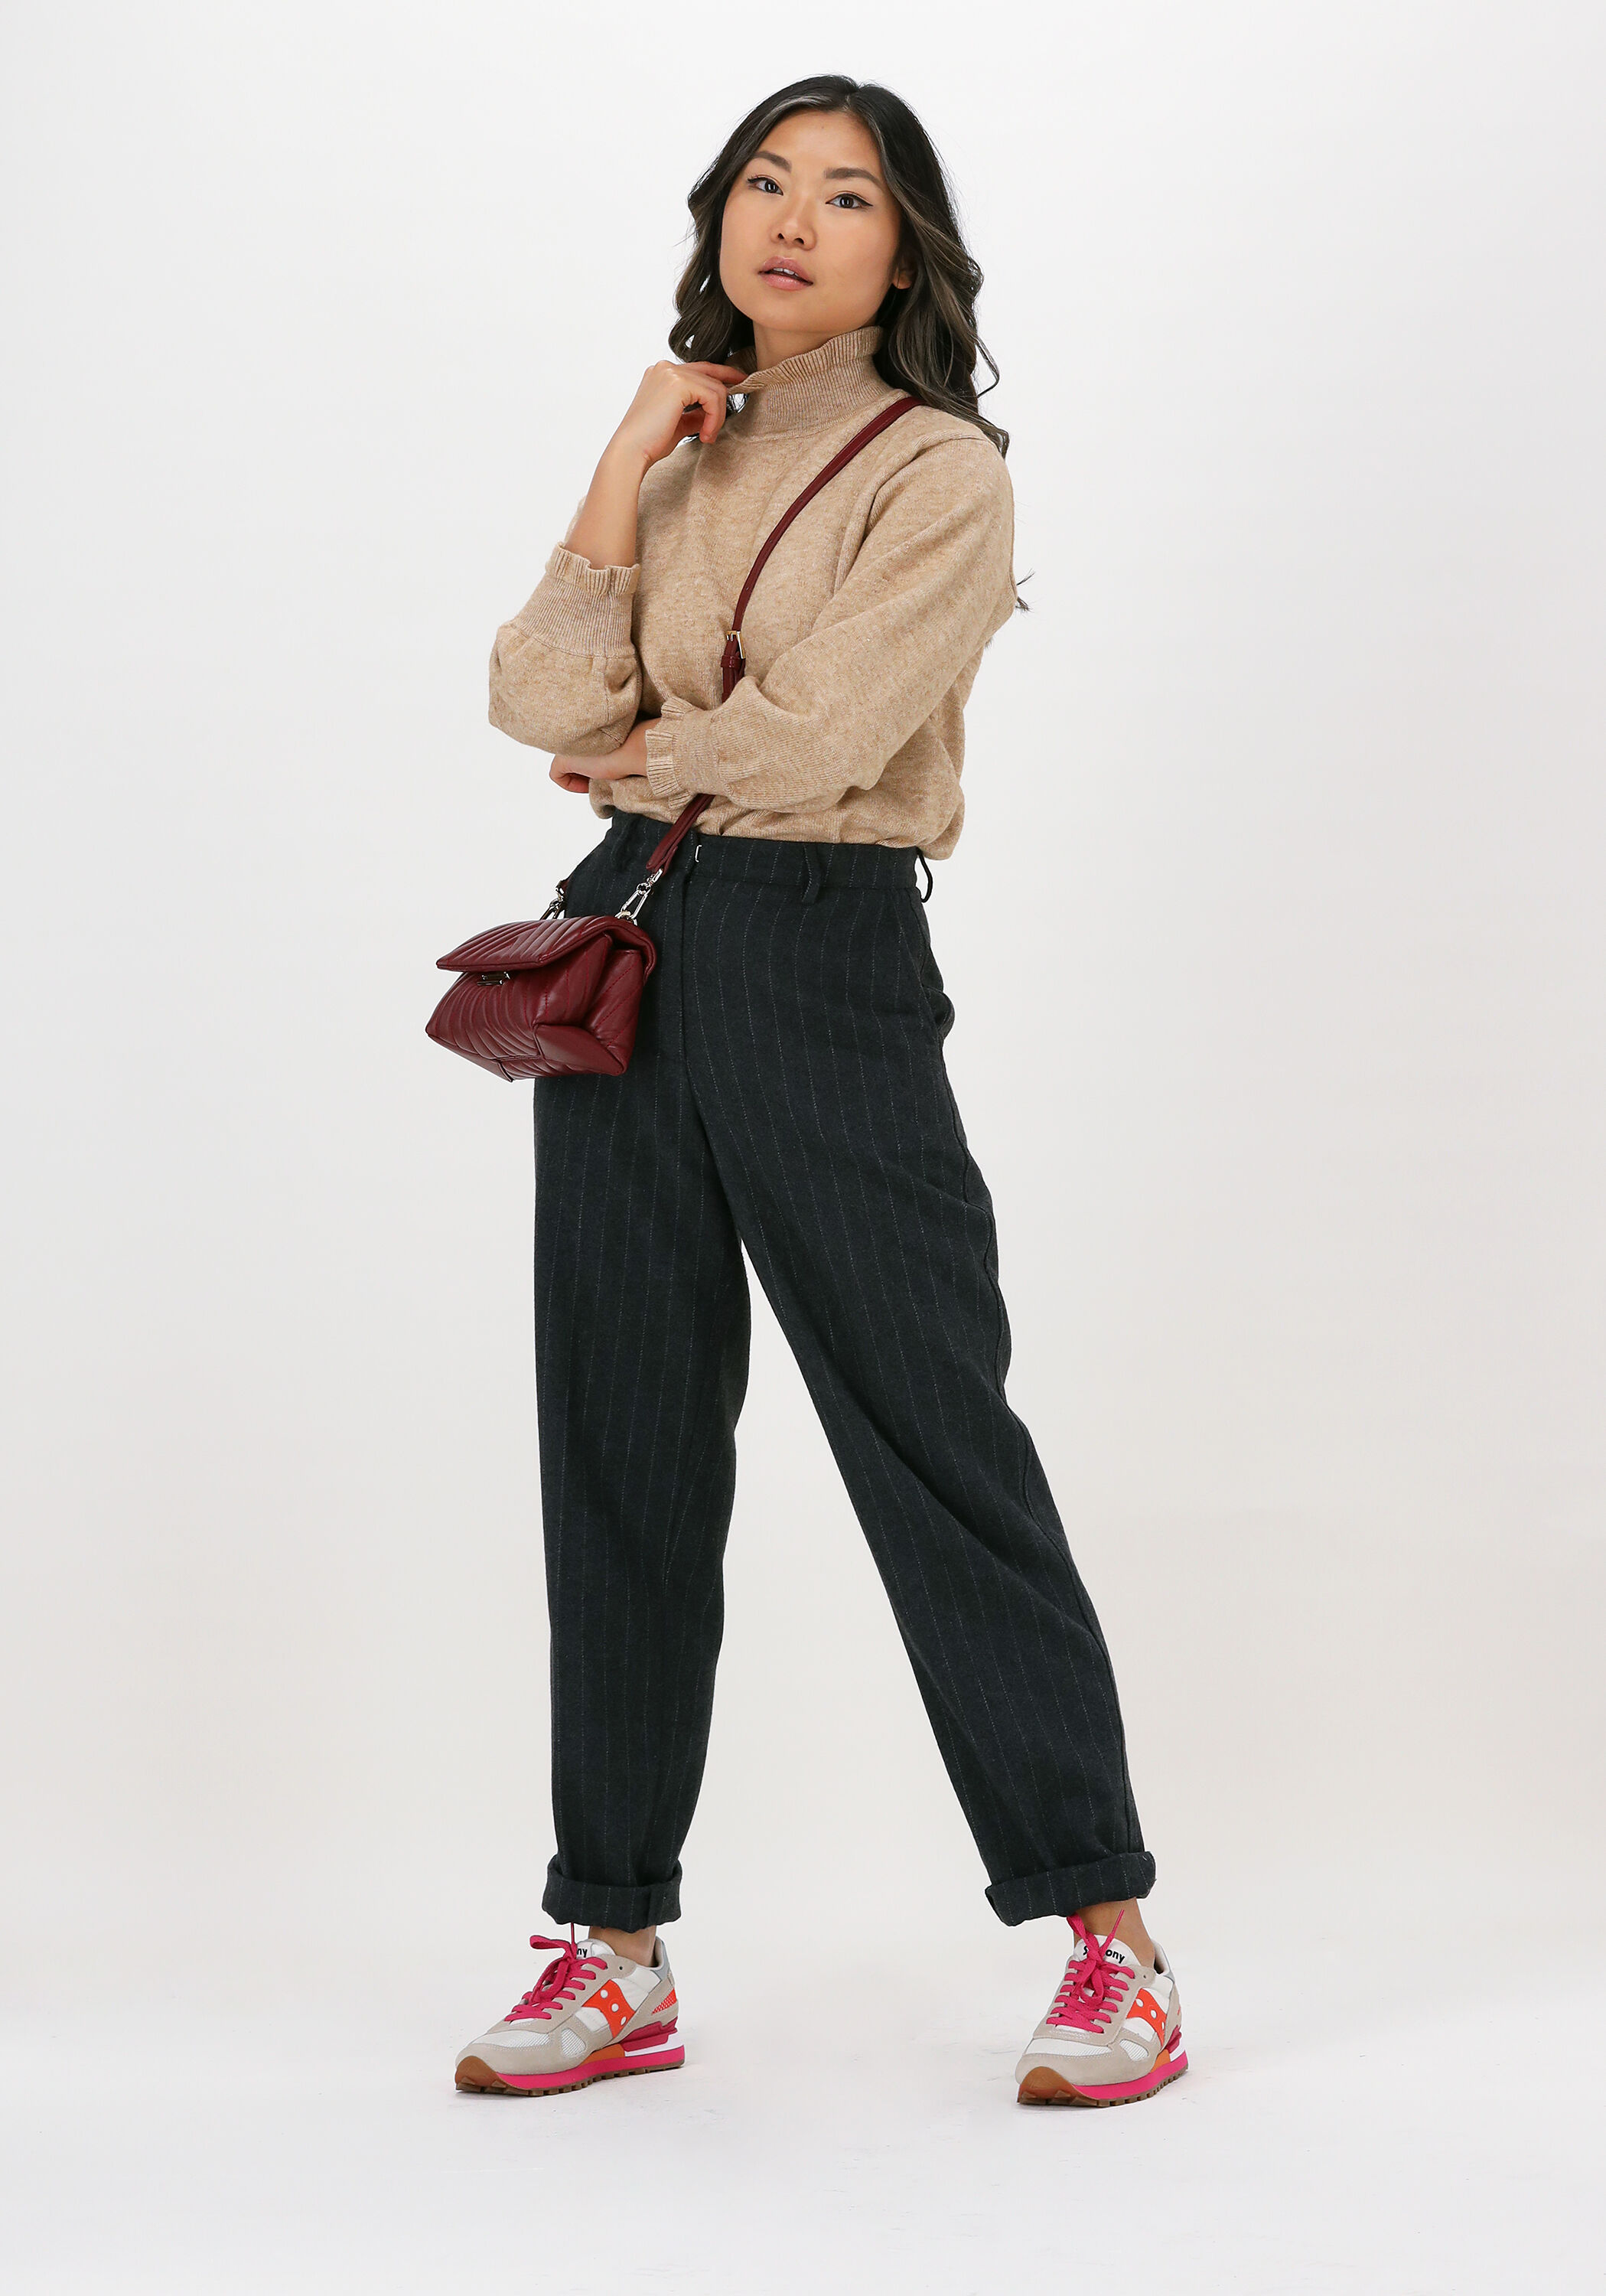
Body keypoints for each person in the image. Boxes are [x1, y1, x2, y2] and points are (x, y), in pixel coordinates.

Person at [452, 75, 1184, 2108]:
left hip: (819, 953)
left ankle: (1108, 1938)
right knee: (619, 1442)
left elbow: (821, 734)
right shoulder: (684, 450)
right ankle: (612, 1944)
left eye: (845, 195)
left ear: (902, 245)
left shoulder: (940, 470)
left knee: (931, 1434)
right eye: (764, 183)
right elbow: (532, 692)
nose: (793, 218)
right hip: (625, 941)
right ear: (718, 218)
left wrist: (637, 758)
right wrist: (622, 458)